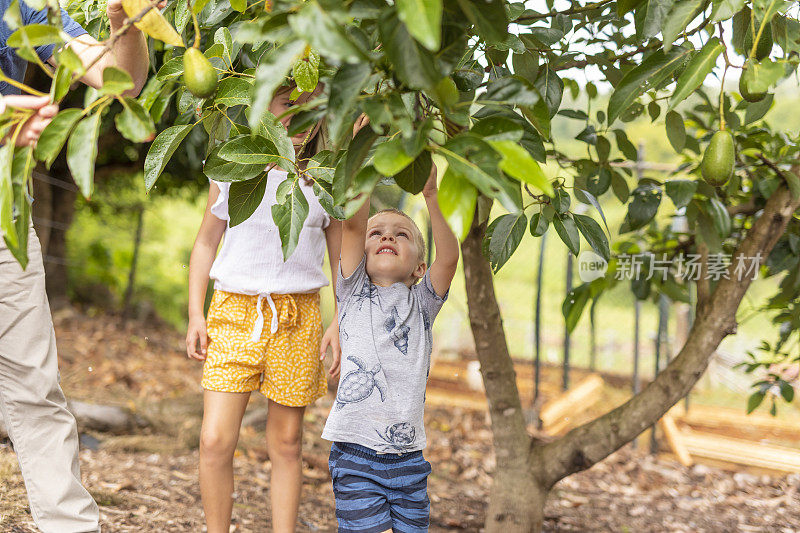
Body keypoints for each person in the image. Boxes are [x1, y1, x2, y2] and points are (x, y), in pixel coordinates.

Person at [0, 0, 151, 531]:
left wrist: (124, 24)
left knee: (34, 387)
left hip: (5, 215)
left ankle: (70, 525)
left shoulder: (21, 7)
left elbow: (122, 80)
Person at [185, 81, 342, 533]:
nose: (299, 117)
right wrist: (197, 312)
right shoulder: (235, 168)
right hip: (234, 312)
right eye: (289, 104)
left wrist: (338, 322)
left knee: (288, 443)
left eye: (311, 108)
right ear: (264, 105)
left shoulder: (324, 180)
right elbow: (204, 244)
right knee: (215, 439)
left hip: (299, 318)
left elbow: (340, 262)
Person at [322, 116, 460, 533]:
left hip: (409, 459)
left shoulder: (422, 303)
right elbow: (350, 223)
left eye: (401, 234)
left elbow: (449, 258)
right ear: (363, 252)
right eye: (377, 231)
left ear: (419, 265)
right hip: (355, 453)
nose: (387, 236)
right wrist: (365, 149)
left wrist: (433, 193)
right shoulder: (350, 290)